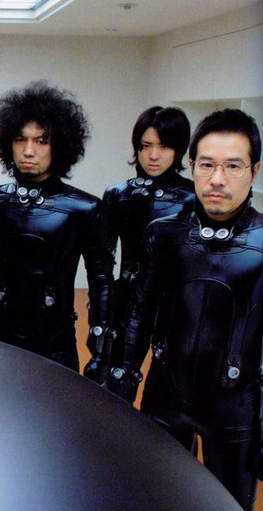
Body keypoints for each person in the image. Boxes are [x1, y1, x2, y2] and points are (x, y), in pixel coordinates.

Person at [108, 108, 262, 510]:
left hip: (236, 410)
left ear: (254, 171)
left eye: (233, 166)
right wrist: (123, 382)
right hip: (166, 398)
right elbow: (139, 313)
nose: (217, 179)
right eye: (207, 165)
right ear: (192, 164)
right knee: (155, 498)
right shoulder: (165, 235)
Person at [0, 81, 114, 375]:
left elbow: (101, 282)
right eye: (20, 139)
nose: (29, 150)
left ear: (60, 145)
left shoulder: (85, 209)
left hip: (55, 345)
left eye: (42, 140)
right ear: (8, 143)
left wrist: (101, 348)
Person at [85, 106, 194, 382]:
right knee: (112, 377)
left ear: (180, 148)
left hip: (174, 305)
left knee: (170, 383)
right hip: (127, 298)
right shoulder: (118, 194)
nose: (153, 155)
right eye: (146, 146)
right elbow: (103, 261)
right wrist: (100, 313)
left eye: (164, 146)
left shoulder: (193, 198)